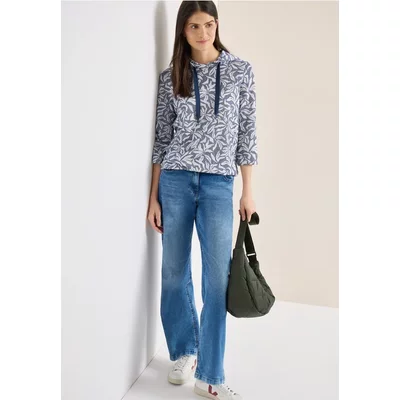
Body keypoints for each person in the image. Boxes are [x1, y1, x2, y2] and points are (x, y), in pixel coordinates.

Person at [147, 2, 257, 399]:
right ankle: (184, 352)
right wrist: (153, 196)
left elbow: (247, 134)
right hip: (175, 182)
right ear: (183, 30)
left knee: (216, 280)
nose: (203, 33)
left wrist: (248, 190)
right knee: (174, 272)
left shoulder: (240, 70)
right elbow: (162, 139)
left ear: (217, 25)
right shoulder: (171, 76)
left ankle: (210, 374)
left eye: (209, 24)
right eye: (194, 26)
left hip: (218, 185)